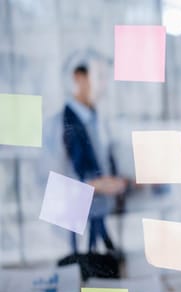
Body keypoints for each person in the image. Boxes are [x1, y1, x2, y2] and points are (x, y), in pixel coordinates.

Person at [62, 64, 127, 255]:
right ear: (79, 78)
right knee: (83, 263)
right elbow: (60, 174)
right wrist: (96, 184)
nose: (104, 85)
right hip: (77, 212)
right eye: (98, 77)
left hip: (100, 208)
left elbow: (107, 157)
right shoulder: (64, 121)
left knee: (99, 259)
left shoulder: (97, 117)